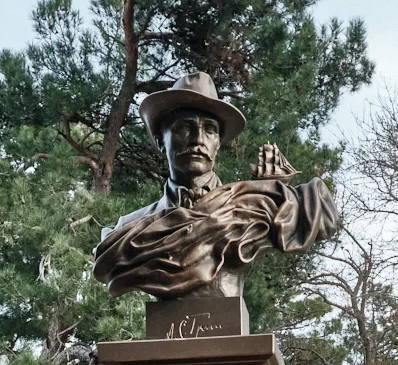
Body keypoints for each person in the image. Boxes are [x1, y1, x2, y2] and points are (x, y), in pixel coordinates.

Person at [91, 71, 341, 306]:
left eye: (209, 129)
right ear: (160, 140)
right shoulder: (127, 230)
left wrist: (273, 192)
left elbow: (324, 218)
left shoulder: (257, 205)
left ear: (218, 144)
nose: (198, 139)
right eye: (185, 127)